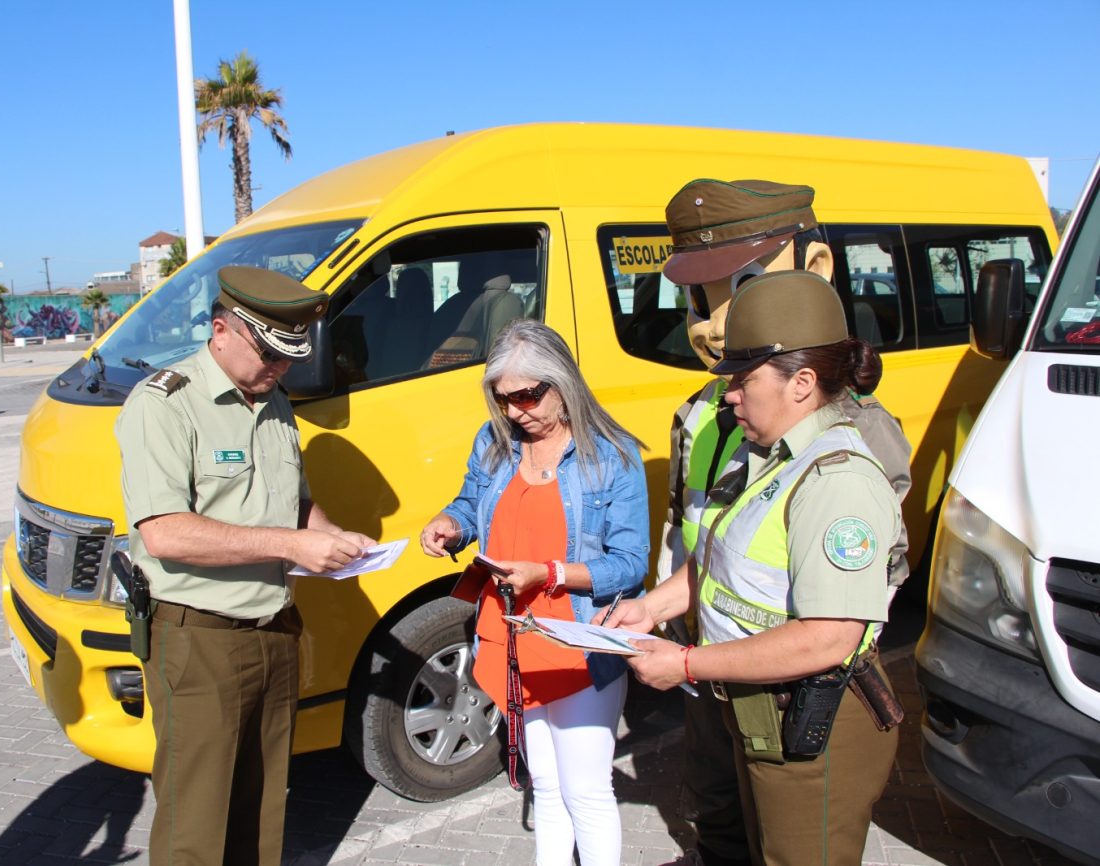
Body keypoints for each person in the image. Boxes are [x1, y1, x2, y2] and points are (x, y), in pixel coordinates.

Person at [607, 270, 903, 866]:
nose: (730, 395)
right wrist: (651, 607)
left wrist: (685, 663)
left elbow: (828, 636)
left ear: (802, 383)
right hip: (754, 704)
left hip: (810, 719)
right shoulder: (764, 456)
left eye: (743, 381)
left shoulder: (837, 479)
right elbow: (719, 565)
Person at [115, 265, 375, 866]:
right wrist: (290, 546)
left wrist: (328, 535)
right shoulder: (165, 404)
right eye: (268, 354)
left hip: (274, 630)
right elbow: (164, 533)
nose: (279, 369)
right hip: (199, 638)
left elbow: (293, 500)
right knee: (195, 827)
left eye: (289, 359)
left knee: (262, 814)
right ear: (221, 330)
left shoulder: (273, 399)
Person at [420, 319, 649, 866]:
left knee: (586, 791)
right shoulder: (494, 442)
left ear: (562, 382)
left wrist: (548, 574)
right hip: (509, 635)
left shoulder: (612, 455)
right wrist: (450, 524)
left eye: (526, 396)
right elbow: (471, 501)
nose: (514, 411)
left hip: (577, 640)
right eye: (503, 400)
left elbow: (630, 564)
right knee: (545, 786)